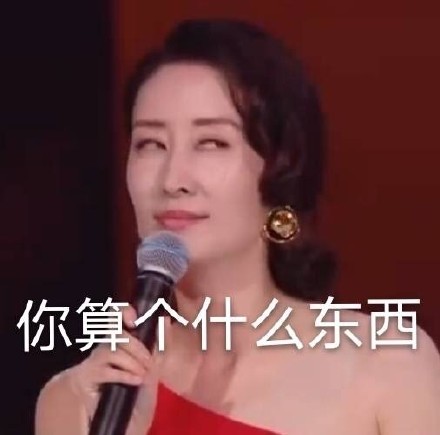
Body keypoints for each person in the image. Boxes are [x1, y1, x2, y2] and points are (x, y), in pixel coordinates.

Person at [35, 18, 440, 435]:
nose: (172, 179)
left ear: (280, 169)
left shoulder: (388, 364)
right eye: (150, 144)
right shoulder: (80, 398)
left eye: (211, 143)